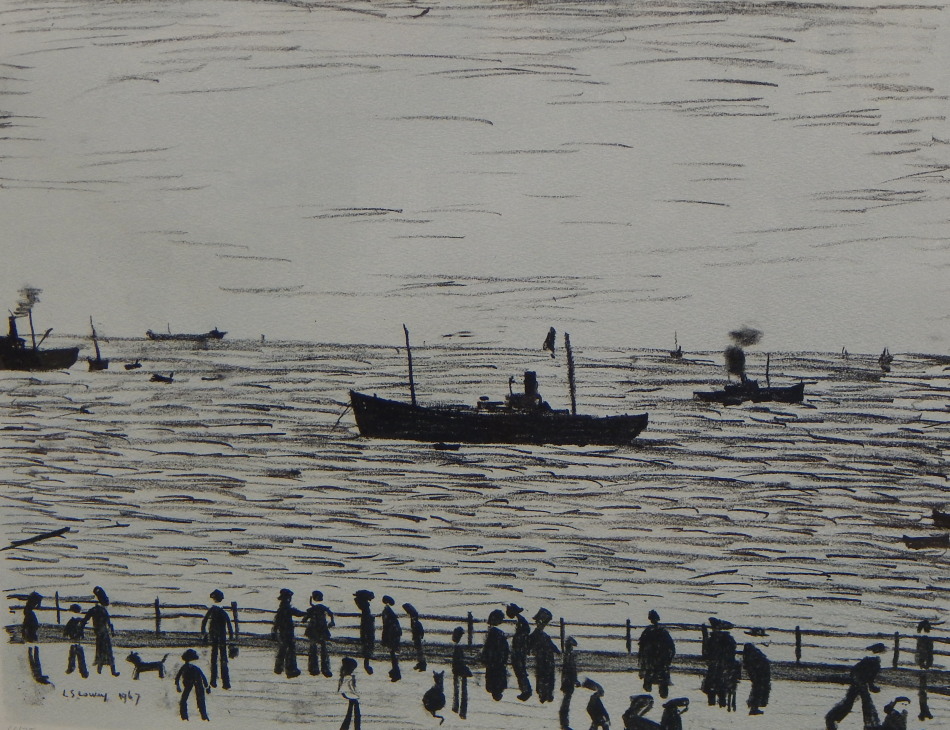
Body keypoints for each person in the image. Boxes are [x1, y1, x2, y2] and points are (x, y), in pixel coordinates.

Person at [825, 642, 887, 730]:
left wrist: (865, 684)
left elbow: (856, 672)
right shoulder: (874, 662)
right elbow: (868, 677)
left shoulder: (868, 661)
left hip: (858, 683)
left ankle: (833, 718)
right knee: (863, 703)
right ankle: (833, 718)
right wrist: (868, 685)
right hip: (860, 683)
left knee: (852, 702)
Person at [81, 586, 119, 676]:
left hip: (98, 633)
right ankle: (111, 671)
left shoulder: (94, 610)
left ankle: (100, 670)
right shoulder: (102, 610)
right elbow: (108, 623)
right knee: (108, 651)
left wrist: (81, 626)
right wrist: (112, 631)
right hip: (104, 633)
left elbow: (85, 619)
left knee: (100, 651)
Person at [702, 617, 738, 710]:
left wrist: (705, 637)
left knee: (713, 693)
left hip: (716, 669)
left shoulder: (713, 639)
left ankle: (715, 708)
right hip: (723, 670)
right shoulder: (729, 640)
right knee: (721, 693)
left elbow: (705, 654)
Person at [638, 610, 675, 699]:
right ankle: (659, 694)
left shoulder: (650, 631)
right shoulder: (660, 631)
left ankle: (656, 693)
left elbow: (642, 646)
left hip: (656, 660)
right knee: (659, 678)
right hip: (657, 660)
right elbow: (671, 647)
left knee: (653, 677)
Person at [200, 589, 233, 689]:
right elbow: (229, 625)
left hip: (215, 637)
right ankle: (225, 682)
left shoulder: (213, 610)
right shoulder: (222, 612)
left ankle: (214, 681)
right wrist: (231, 637)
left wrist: (204, 634)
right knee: (222, 659)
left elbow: (204, 622)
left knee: (215, 659)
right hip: (221, 637)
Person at [530, 607, 561, 703]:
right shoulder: (536, 634)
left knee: (547, 676)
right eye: (544, 622)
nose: (544, 625)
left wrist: (556, 651)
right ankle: (543, 694)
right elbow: (531, 646)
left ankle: (547, 694)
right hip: (542, 659)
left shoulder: (542, 634)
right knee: (543, 676)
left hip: (547, 659)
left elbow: (550, 645)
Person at [271, 588, 304, 678]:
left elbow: (276, 622)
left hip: (283, 631)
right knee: (290, 649)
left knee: (283, 649)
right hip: (288, 631)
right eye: (289, 597)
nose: (290, 599)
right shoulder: (286, 608)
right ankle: (290, 668)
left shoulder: (281, 608)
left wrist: (274, 631)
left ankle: (279, 668)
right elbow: (297, 613)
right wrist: (306, 613)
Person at [303, 590, 335, 677]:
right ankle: (324, 668)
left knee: (314, 648)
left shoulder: (314, 608)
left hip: (315, 629)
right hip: (320, 628)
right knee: (322, 648)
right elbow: (331, 614)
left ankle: (314, 668)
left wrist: (305, 618)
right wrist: (332, 622)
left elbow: (304, 618)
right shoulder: (320, 607)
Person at [481, 609, 510, 701]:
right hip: (497, 662)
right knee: (496, 676)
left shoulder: (493, 632)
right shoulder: (497, 632)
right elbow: (498, 648)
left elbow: (488, 648)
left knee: (493, 676)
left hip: (494, 662)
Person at [176, 648, 210, 721]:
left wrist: (207, 687)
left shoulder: (191, 667)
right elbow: (203, 676)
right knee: (190, 700)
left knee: (197, 699)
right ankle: (202, 716)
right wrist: (207, 687)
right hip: (192, 684)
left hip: (195, 683)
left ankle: (202, 716)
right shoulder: (191, 667)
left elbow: (202, 676)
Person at [507, 603, 533, 701]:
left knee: (520, 671)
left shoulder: (522, 622)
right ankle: (525, 690)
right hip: (519, 650)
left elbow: (524, 635)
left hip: (519, 651)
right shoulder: (521, 621)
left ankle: (526, 691)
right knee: (520, 671)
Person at [742, 642, 770, 715]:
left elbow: (748, 666)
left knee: (757, 688)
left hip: (760, 673)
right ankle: (754, 706)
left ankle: (753, 705)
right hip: (760, 673)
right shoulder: (755, 654)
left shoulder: (751, 655)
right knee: (757, 689)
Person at [559, 636, 580, 730]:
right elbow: (571, 669)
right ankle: (564, 722)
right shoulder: (569, 656)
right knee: (566, 700)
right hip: (568, 681)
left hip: (566, 680)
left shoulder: (566, 655)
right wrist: (575, 680)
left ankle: (564, 721)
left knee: (566, 699)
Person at [451, 626, 472, 719]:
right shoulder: (458, 647)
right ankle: (461, 710)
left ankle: (457, 708)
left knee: (458, 689)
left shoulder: (457, 647)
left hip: (458, 671)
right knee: (462, 690)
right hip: (460, 671)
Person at [380, 595, 403, 681]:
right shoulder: (389, 611)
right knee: (393, 650)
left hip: (392, 632)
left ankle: (395, 668)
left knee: (393, 650)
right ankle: (395, 668)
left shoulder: (386, 610)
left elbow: (386, 624)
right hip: (395, 631)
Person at [64, 603, 89, 678]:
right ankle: (82, 670)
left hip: (74, 639)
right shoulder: (80, 620)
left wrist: (66, 634)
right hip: (78, 640)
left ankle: (72, 668)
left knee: (73, 655)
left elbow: (67, 629)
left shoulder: (73, 620)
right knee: (80, 656)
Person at [354, 590, 375, 675]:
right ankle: (367, 659)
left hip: (366, 624)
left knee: (366, 641)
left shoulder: (364, 605)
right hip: (367, 625)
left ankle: (367, 660)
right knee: (367, 641)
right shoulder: (365, 606)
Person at [338, 656, 361, 730]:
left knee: (351, 708)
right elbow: (352, 687)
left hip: (347, 694)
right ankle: (356, 726)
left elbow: (343, 686)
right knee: (355, 708)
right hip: (350, 694)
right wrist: (356, 694)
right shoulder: (350, 677)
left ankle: (348, 725)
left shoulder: (344, 676)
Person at [403, 603, 426, 671]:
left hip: (417, 637)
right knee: (419, 650)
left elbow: (419, 631)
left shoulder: (416, 622)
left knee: (419, 651)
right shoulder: (416, 622)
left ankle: (422, 664)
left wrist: (418, 636)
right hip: (417, 637)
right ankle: (421, 663)